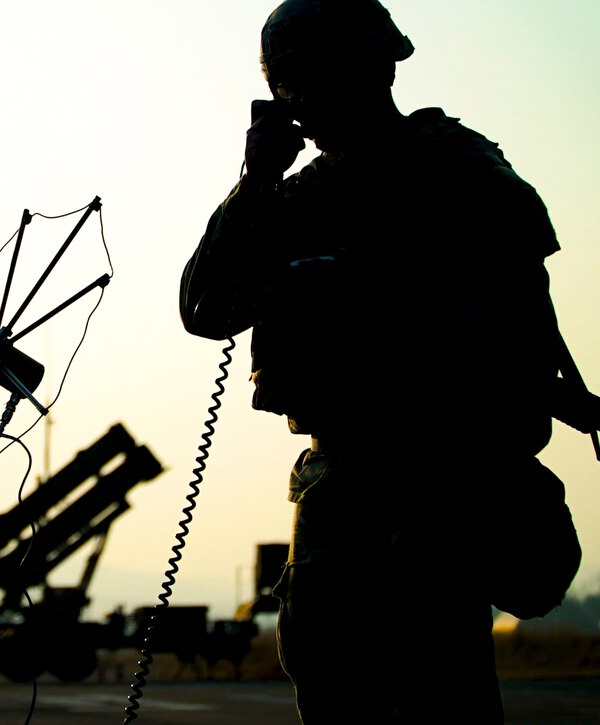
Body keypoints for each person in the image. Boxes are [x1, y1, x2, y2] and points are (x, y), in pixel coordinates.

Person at [178, 0, 583, 722]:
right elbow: (206, 308)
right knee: (336, 692)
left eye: (313, 82)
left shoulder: (458, 172)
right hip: (338, 492)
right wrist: (256, 182)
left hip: (439, 482)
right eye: (289, 87)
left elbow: (521, 333)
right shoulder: (301, 196)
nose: (300, 104)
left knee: (439, 697)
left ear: (372, 69)